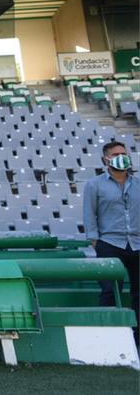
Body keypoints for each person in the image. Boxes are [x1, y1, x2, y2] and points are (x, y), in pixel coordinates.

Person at [83, 140, 139, 343]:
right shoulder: (94, 184)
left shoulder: (138, 184)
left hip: (137, 243)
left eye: (123, 153)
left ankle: (137, 338)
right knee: (109, 290)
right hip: (110, 243)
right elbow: (90, 214)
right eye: (115, 154)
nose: (121, 157)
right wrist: (95, 241)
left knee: (139, 293)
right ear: (105, 159)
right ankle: (109, 337)